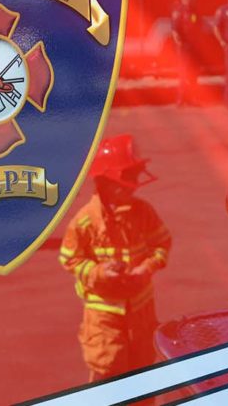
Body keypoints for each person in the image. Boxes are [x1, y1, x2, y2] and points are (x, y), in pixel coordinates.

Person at [59, 135, 172, 383]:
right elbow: (70, 260)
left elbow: (162, 243)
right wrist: (99, 272)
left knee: (143, 379)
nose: (134, 184)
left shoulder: (143, 212)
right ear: (106, 182)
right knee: (107, 377)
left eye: (134, 176)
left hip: (141, 313)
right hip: (105, 320)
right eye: (128, 177)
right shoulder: (84, 222)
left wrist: (147, 267)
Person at [171, 0, 203, 106]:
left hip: (193, 47)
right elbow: (174, 29)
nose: (190, 0)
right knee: (183, 74)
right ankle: (180, 99)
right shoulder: (178, 11)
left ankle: (193, 98)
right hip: (183, 47)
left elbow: (199, 25)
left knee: (194, 74)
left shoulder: (195, 11)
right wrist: (178, 41)